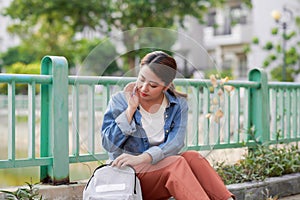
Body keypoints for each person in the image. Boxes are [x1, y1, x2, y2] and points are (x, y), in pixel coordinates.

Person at [101, 51, 235, 200]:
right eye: (141, 79)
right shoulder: (119, 100)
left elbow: (176, 142)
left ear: (165, 87)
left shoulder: (177, 104)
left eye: (152, 85)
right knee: (175, 163)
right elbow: (108, 145)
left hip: (157, 171)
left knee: (193, 158)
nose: (144, 88)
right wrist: (130, 110)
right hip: (128, 178)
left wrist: (144, 158)